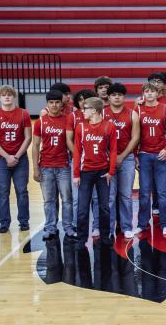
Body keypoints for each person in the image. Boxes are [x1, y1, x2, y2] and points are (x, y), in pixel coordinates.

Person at [0, 85, 32, 233]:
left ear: (14, 97)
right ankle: (4, 223)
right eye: (4, 95)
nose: (7, 97)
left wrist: (16, 156)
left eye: (9, 95)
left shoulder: (23, 114)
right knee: (3, 192)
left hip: (20, 158)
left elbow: (28, 138)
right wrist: (7, 157)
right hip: (1, 159)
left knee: (22, 191)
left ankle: (24, 221)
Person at [73, 97, 117, 243]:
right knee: (83, 208)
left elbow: (113, 151)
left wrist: (111, 171)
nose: (82, 111)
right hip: (85, 171)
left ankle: (105, 236)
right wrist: (76, 174)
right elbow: (77, 151)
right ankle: (81, 238)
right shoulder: (81, 127)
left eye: (85, 109)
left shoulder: (109, 126)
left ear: (94, 110)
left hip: (103, 172)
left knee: (104, 206)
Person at [135, 81, 166, 236]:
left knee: (163, 192)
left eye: (153, 91)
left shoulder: (165, 109)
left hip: (161, 155)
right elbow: (134, 135)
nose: (150, 94)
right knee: (144, 192)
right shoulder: (138, 109)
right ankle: (142, 223)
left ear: (157, 93)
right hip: (144, 155)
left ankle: (165, 223)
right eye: (147, 91)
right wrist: (134, 156)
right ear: (143, 94)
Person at [32, 90, 73, 240]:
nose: (54, 105)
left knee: (67, 199)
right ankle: (50, 227)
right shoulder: (40, 122)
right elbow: (35, 146)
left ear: (62, 104)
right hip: (46, 166)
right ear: (47, 104)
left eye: (57, 102)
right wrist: (35, 168)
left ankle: (68, 227)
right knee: (49, 200)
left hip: (64, 166)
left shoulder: (68, 120)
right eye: (51, 102)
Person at [103, 83, 140, 239]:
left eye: (120, 94)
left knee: (125, 194)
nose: (117, 97)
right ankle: (110, 227)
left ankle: (126, 226)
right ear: (109, 97)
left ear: (124, 97)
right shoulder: (102, 113)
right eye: (113, 94)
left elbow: (136, 137)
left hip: (127, 158)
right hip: (106, 159)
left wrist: (122, 155)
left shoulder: (132, 114)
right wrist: (111, 157)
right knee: (110, 196)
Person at [67, 89, 97, 234]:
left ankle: (97, 225)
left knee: (96, 197)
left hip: (97, 163)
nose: (83, 102)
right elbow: (68, 139)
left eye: (86, 99)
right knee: (77, 197)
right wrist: (79, 156)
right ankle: (78, 225)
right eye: (80, 100)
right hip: (78, 162)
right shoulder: (73, 116)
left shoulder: (98, 115)